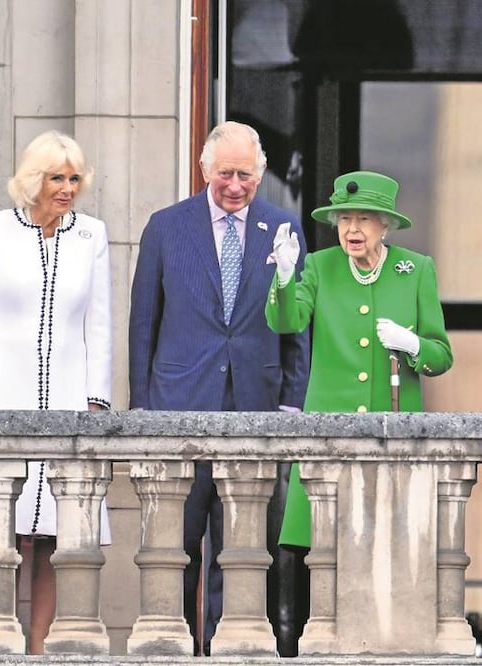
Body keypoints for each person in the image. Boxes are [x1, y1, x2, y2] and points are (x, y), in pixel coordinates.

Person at [129, 121, 310, 656]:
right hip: (178, 412)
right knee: (175, 553)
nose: (235, 185)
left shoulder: (283, 227)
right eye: (226, 173)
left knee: (242, 555)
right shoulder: (166, 227)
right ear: (205, 169)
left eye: (246, 176)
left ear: (261, 173)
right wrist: (141, 410)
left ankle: (231, 652)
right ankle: (177, 652)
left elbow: (297, 325)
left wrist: (291, 403)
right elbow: (144, 324)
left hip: (255, 411)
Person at [0, 130, 113, 654]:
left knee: (56, 534)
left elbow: (99, 325)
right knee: (3, 528)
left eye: (74, 179)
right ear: (33, 179)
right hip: (1, 394)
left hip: (67, 398)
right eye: (56, 178)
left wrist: (95, 402)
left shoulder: (92, 235)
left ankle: (40, 650)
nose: (67, 188)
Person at [265, 170, 453, 551]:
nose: (352, 229)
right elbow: (286, 321)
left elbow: (442, 356)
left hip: (392, 440)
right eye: (344, 219)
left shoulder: (415, 270)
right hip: (329, 437)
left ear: (385, 226)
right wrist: (284, 276)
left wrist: (412, 344)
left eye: (364, 219)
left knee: (389, 552)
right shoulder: (321, 266)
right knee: (326, 552)